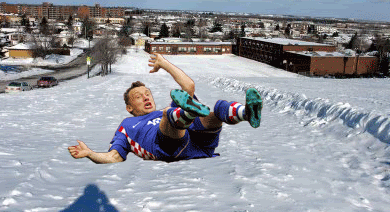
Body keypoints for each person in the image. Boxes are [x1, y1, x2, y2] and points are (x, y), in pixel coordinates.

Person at [68, 53, 263, 163]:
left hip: (202, 146)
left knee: (218, 108)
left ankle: (247, 113)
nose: (145, 97)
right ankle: (184, 115)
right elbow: (115, 156)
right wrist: (91, 154)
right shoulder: (126, 125)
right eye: (138, 96)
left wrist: (164, 64)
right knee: (169, 117)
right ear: (129, 107)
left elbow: (189, 86)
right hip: (167, 147)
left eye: (147, 93)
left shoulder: (161, 109)